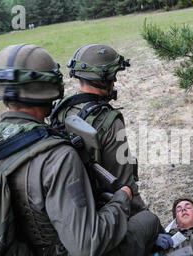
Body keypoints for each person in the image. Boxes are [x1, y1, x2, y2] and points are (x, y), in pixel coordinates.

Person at [0, 43, 161, 256]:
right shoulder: (58, 156)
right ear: (51, 87)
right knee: (149, 222)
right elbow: (87, 244)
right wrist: (124, 198)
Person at [49, 43, 147, 215]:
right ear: (102, 79)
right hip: (104, 212)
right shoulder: (109, 121)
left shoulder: (63, 108)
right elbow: (124, 185)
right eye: (113, 75)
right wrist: (146, 219)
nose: (115, 81)